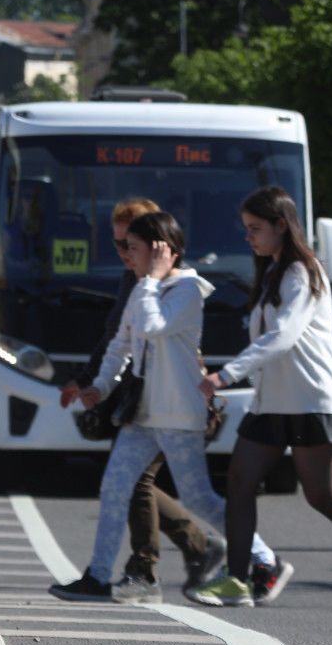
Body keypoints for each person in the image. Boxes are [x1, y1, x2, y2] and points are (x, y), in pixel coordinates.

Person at [191, 187, 332, 608]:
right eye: (245, 229)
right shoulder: (273, 272)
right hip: (274, 402)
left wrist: (226, 375)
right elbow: (271, 341)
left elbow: (284, 336)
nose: (249, 237)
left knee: (321, 494)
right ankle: (238, 581)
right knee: (239, 481)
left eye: (255, 228)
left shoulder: (303, 272)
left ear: (282, 225)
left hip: (312, 399)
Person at [51, 211, 284, 602]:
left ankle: (263, 557)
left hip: (178, 414)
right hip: (142, 414)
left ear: (163, 251)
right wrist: (102, 386)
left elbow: (152, 327)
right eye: (125, 247)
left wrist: (153, 280)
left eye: (134, 247)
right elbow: (121, 344)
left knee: (198, 498)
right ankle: (98, 575)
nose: (127, 254)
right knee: (114, 487)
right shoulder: (145, 288)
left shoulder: (187, 291)